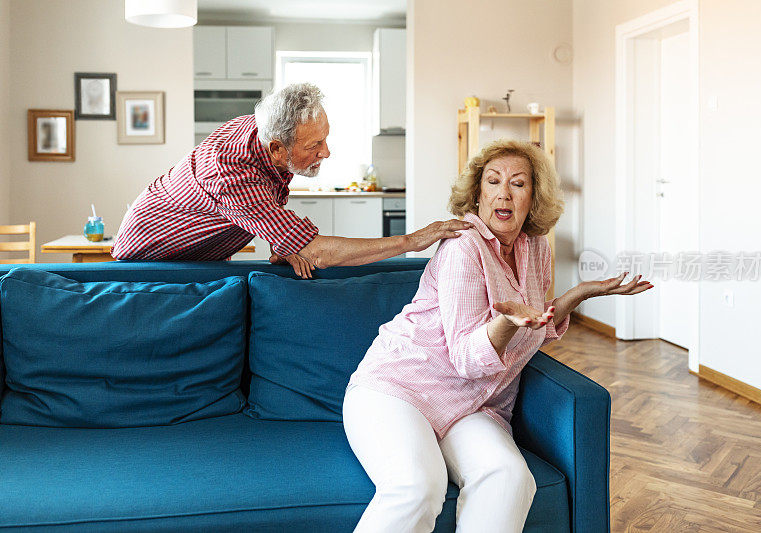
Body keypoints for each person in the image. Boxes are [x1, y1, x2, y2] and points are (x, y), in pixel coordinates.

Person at [342, 139, 653, 532]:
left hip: (473, 405)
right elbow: (467, 359)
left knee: (509, 478)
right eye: (493, 181)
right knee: (417, 486)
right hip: (398, 390)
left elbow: (534, 327)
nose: (504, 192)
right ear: (477, 194)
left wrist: (580, 293)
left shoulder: (536, 248)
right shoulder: (462, 248)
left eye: (518, 184)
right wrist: (505, 324)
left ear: (533, 198)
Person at [112, 83, 471, 275]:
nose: (326, 152)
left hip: (199, 252)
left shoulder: (265, 129)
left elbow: (265, 197)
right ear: (277, 149)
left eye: (325, 138)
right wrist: (413, 240)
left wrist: (280, 237)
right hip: (150, 257)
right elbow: (317, 253)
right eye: (315, 144)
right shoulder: (231, 172)